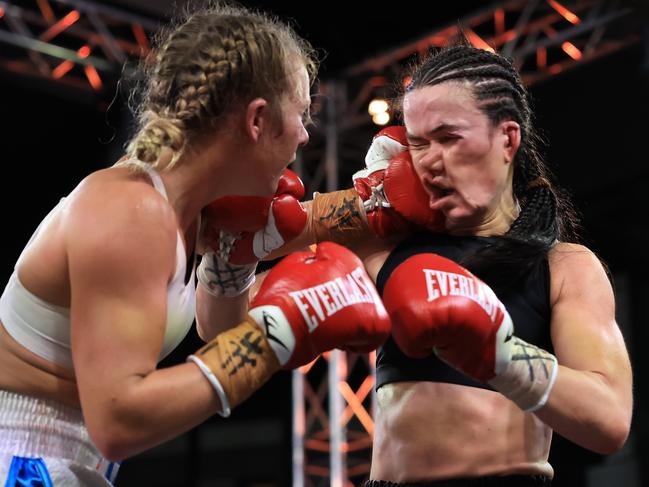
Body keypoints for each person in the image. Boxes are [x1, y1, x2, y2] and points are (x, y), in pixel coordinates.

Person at [0, 4, 392, 486]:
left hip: (65, 455)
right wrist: (276, 332)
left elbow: (218, 329)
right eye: (302, 112)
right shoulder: (132, 211)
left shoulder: (192, 214)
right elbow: (119, 421)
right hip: (24, 452)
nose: (306, 135)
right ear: (257, 120)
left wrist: (234, 265)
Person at [261, 43, 633, 486]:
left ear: (508, 139)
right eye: (417, 144)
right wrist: (368, 203)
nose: (430, 162)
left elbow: (609, 419)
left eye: (448, 138)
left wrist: (500, 355)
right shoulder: (390, 250)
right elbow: (225, 314)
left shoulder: (562, 266)